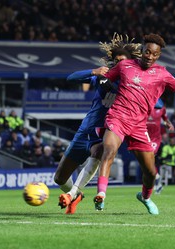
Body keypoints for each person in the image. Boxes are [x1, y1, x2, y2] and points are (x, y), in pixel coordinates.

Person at [94, 33, 175, 214]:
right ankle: (101, 194)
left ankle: (145, 197)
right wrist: (103, 81)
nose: (150, 56)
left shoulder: (162, 74)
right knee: (109, 149)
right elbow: (105, 78)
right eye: (147, 52)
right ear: (141, 50)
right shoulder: (124, 65)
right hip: (118, 117)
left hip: (140, 126)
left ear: (158, 56)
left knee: (151, 173)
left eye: (154, 54)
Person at [54, 33, 143, 214]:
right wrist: (93, 72)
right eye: (116, 60)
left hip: (106, 130)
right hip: (84, 131)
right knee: (59, 178)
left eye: (122, 61)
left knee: (99, 151)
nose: (118, 64)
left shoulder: (131, 84)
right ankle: (76, 193)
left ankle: (71, 194)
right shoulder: (103, 76)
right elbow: (71, 78)